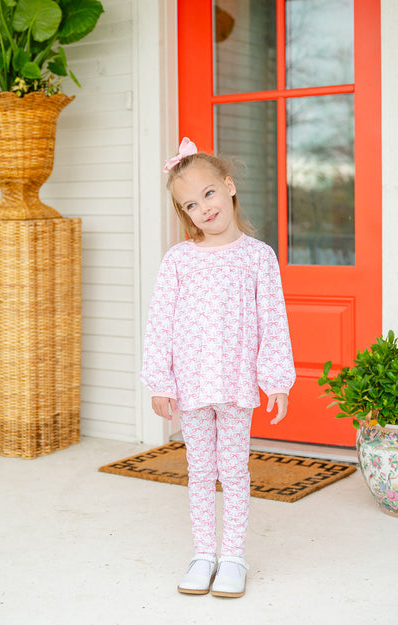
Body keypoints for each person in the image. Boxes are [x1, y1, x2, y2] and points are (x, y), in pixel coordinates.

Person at [141, 137, 295, 598]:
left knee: (234, 469)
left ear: (228, 186)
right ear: (184, 213)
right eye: (191, 203)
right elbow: (159, 324)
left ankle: (233, 557)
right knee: (199, 469)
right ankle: (203, 552)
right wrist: (160, 382)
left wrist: (276, 381)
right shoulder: (178, 261)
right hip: (190, 385)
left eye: (208, 193)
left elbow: (273, 322)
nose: (204, 208)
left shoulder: (258, 257)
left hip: (235, 386)